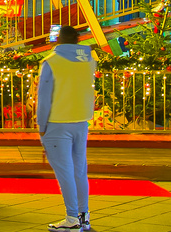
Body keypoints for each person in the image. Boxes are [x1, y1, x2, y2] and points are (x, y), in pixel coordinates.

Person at [37, 25, 96, 231]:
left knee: (65, 173)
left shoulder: (51, 62)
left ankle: (71, 218)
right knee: (79, 171)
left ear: (59, 40)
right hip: (81, 121)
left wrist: (41, 126)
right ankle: (83, 216)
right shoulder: (89, 61)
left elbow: (44, 98)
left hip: (57, 123)